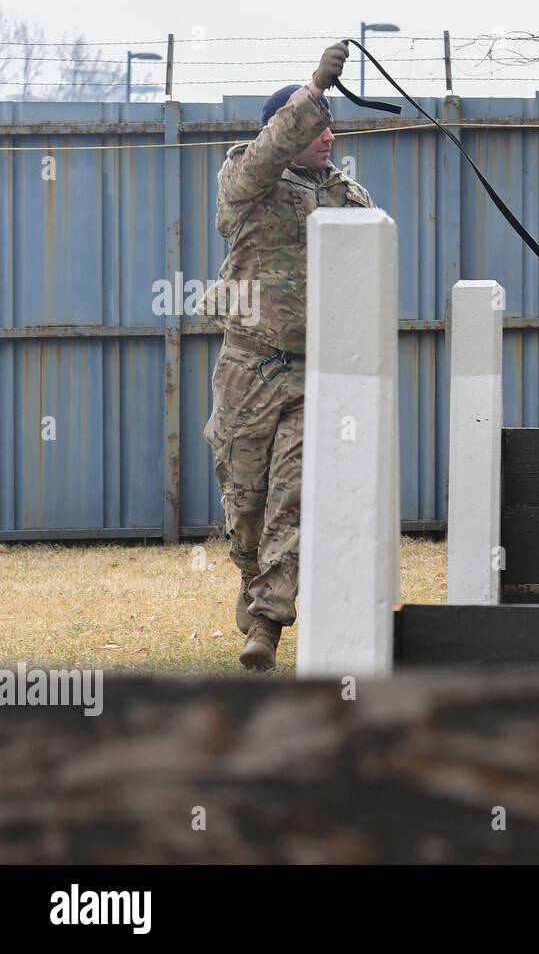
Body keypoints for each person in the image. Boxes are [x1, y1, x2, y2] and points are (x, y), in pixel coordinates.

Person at [200, 42, 377, 670]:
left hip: (310, 374)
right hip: (247, 368)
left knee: (290, 498)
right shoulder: (243, 183)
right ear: (288, 128)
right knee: (244, 505)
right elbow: (267, 154)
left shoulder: (348, 199)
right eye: (317, 126)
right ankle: (251, 582)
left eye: (331, 126)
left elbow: (370, 272)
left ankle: (269, 625)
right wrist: (315, 90)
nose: (328, 135)